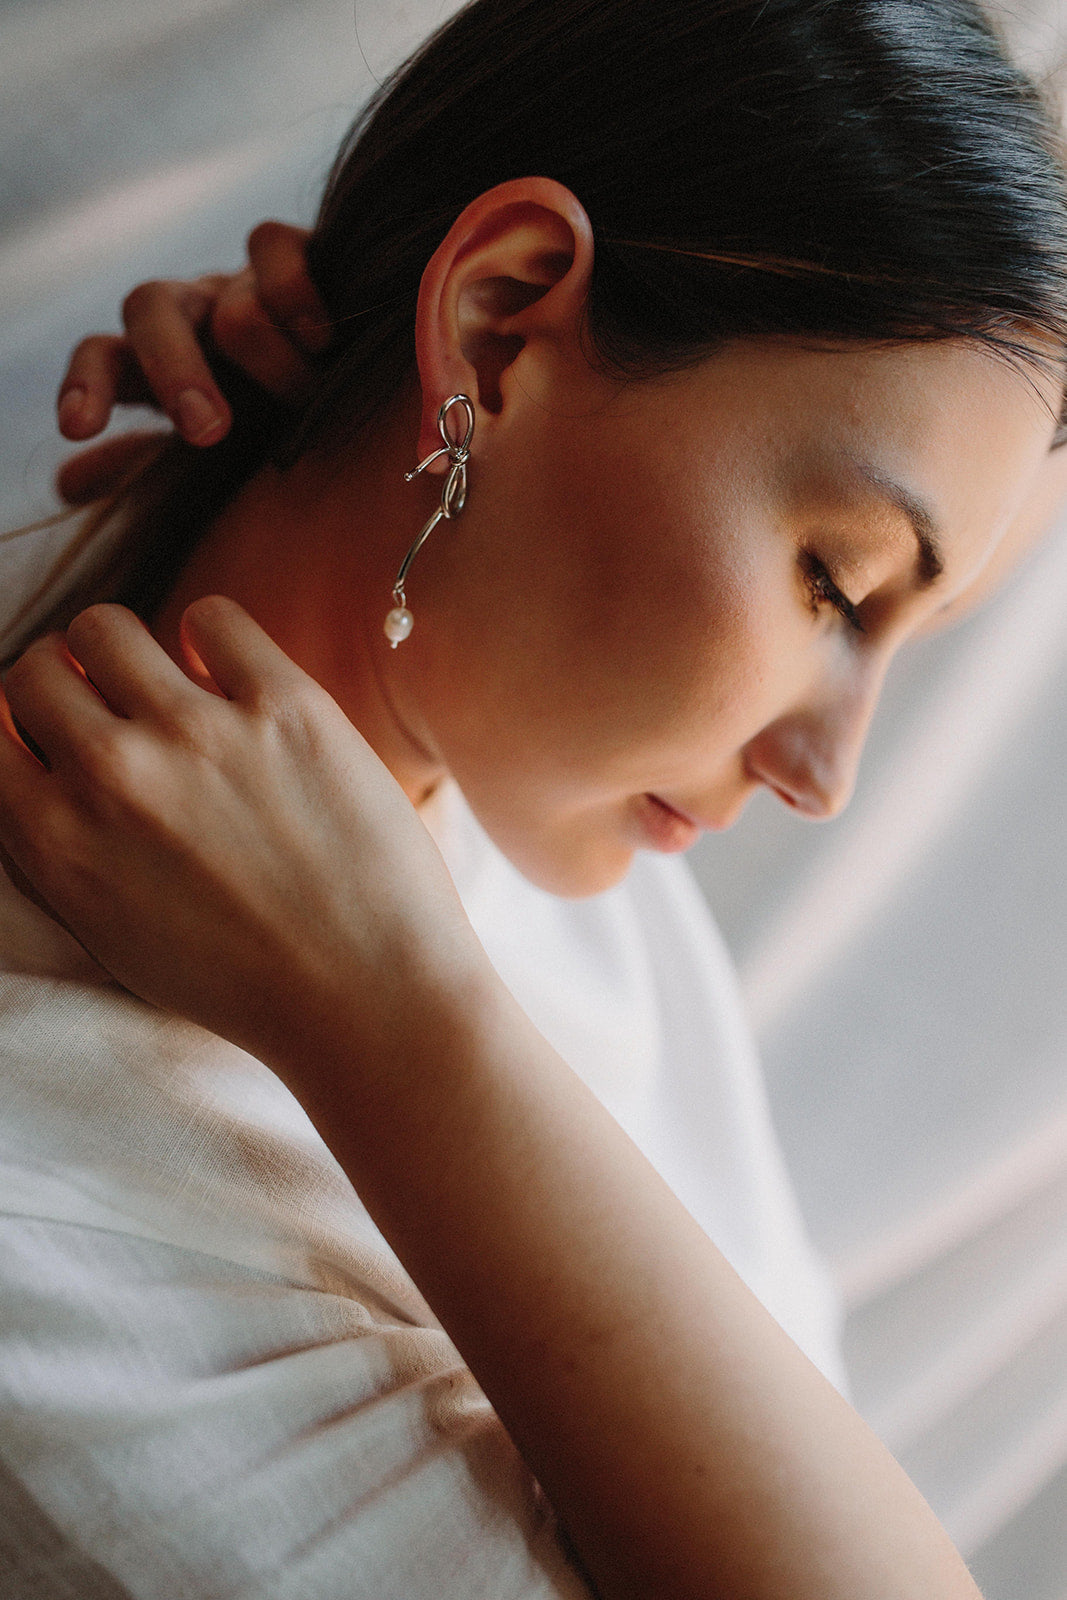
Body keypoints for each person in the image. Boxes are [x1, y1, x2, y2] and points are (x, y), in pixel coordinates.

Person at [0, 1, 1066, 1595]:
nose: (824, 774)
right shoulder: (54, 1206)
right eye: (835, 587)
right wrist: (393, 1011)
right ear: (502, 327)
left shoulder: (589, 894)